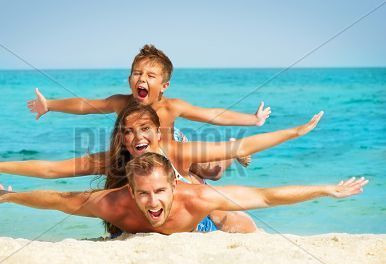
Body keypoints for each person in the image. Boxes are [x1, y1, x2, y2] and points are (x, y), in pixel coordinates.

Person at [0, 104, 323, 234]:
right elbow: (54, 174)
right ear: (121, 135)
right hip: (136, 217)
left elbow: (239, 144)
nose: (136, 138)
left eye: (144, 130)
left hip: (184, 208)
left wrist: (295, 131)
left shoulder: (174, 149)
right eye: (128, 131)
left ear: (157, 133)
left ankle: (218, 173)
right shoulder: (111, 159)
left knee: (231, 211)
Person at [26, 44, 272, 178]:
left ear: (163, 86)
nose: (142, 79)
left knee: (213, 172)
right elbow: (85, 105)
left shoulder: (171, 106)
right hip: (147, 152)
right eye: (137, 73)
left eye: (150, 76)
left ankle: (230, 150)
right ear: (129, 78)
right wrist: (50, 105)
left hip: (174, 145)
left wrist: (252, 119)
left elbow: (212, 114)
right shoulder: (121, 102)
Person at [0, 153, 368, 235]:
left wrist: (324, 189)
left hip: (198, 229)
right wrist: (9, 197)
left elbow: (265, 196)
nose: (152, 201)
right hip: (141, 231)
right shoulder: (116, 204)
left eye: (160, 190)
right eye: (143, 193)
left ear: (174, 186)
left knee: (243, 222)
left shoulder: (194, 197)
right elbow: (59, 200)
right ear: (130, 190)